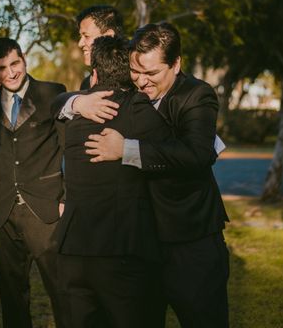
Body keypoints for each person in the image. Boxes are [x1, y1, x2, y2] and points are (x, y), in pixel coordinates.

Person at [84, 23, 230, 327]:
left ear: (176, 64)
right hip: (141, 244)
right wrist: (75, 101)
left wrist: (126, 149)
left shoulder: (197, 95)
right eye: (136, 71)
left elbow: (197, 154)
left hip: (191, 240)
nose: (141, 81)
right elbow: (69, 97)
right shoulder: (128, 87)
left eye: (151, 74)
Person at [53, 36, 170, 328]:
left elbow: (54, 107)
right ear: (131, 73)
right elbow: (171, 156)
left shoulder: (75, 117)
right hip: (122, 248)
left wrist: (79, 100)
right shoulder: (142, 111)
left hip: (74, 248)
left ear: (94, 74)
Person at [0, 37, 66, 328]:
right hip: (0, 212)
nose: (10, 73)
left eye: (14, 64)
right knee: (12, 297)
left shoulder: (53, 93)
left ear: (24, 59)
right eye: (1, 68)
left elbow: (69, 148)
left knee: (62, 292)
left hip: (47, 210)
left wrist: (66, 198)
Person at [76, 5, 123, 89]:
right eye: (80, 37)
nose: (80, 44)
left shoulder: (134, 78)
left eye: (86, 36)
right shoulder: (86, 83)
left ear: (109, 36)